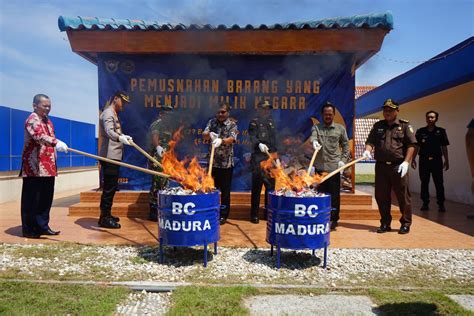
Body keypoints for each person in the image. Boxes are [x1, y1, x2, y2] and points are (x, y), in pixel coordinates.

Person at [364, 99, 417, 234]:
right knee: (381, 196)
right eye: (385, 110)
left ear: (397, 111)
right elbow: (370, 141)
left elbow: (412, 145)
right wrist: (367, 150)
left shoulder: (404, 126)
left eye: (390, 110)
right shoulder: (378, 126)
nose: (387, 112)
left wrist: (406, 162)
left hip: (398, 166)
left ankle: (405, 223)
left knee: (402, 196)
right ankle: (385, 223)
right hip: (381, 167)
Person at [20, 94, 69, 238]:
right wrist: (56, 142)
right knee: (32, 199)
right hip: (34, 167)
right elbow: (38, 136)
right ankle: (29, 229)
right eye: (44, 106)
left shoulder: (48, 121)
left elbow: (50, 137)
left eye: (49, 106)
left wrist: (56, 144)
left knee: (45, 199)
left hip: (48, 167)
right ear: (35, 105)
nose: (48, 108)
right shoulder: (32, 119)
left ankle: (42, 226)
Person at [310, 101, 350, 230]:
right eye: (326, 114)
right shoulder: (316, 128)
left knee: (334, 197)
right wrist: (314, 142)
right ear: (322, 115)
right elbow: (313, 137)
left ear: (333, 115)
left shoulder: (340, 129)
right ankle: (320, 218)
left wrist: (343, 161)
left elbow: (346, 146)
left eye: (330, 114)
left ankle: (333, 220)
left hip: (334, 168)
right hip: (320, 170)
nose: (328, 116)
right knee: (320, 195)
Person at [98, 91, 133, 229]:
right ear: (115, 99)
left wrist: (123, 136)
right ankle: (104, 218)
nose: (123, 105)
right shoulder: (108, 113)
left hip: (113, 157)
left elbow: (115, 131)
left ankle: (106, 214)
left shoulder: (113, 113)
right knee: (109, 188)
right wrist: (120, 138)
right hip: (109, 157)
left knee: (111, 188)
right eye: (122, 102)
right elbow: (109, 131)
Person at [203, 102, 239, 225]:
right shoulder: (211, 122)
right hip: (212, 163)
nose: (220, 114)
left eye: (223, 112)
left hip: (225, 164)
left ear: (228, 113)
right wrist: (209, 135)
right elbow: (204, 135)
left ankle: (223, 215)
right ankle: (209, 211)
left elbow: (232, 139)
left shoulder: (232, 125)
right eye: (218, 112)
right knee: (209, 188)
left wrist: (221, 140)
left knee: (225, 191)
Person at [411, 111, 450, 212]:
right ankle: (425, 203)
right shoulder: (420, 131)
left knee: (439, 183)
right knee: (424, 182)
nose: (430, 119)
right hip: (424, 161)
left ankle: (441, 204)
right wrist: (413, 158)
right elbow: (416, 146)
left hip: (437, 160)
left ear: (436, 119)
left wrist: (446, 160)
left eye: (432, 117)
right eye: (428, 117)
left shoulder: (441, 131)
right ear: (426, 118)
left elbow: (444, 146)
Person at [248, 100, 277, 224]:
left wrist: (277, 157)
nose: (266, 111)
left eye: (268, 109)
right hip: (258, 158)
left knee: (270, 187)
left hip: (270, 158)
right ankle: (254, 214)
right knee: (257, 187)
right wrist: (258, 144)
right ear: (259, 109)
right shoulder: (254, 122)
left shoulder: (271, 123)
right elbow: (252, 137)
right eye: (264, 108)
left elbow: (275, 141)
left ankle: (267, 213)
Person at [147, 104, 174, 221]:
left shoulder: (168, 126)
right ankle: (153, 210)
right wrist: (157, 146)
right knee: (157, 183)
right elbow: (154, 135)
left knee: (165, 182)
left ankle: (162, 209)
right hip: (157, 158)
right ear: (161, 114)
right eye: (166, 114)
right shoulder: (157, 124)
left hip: (166, 158)